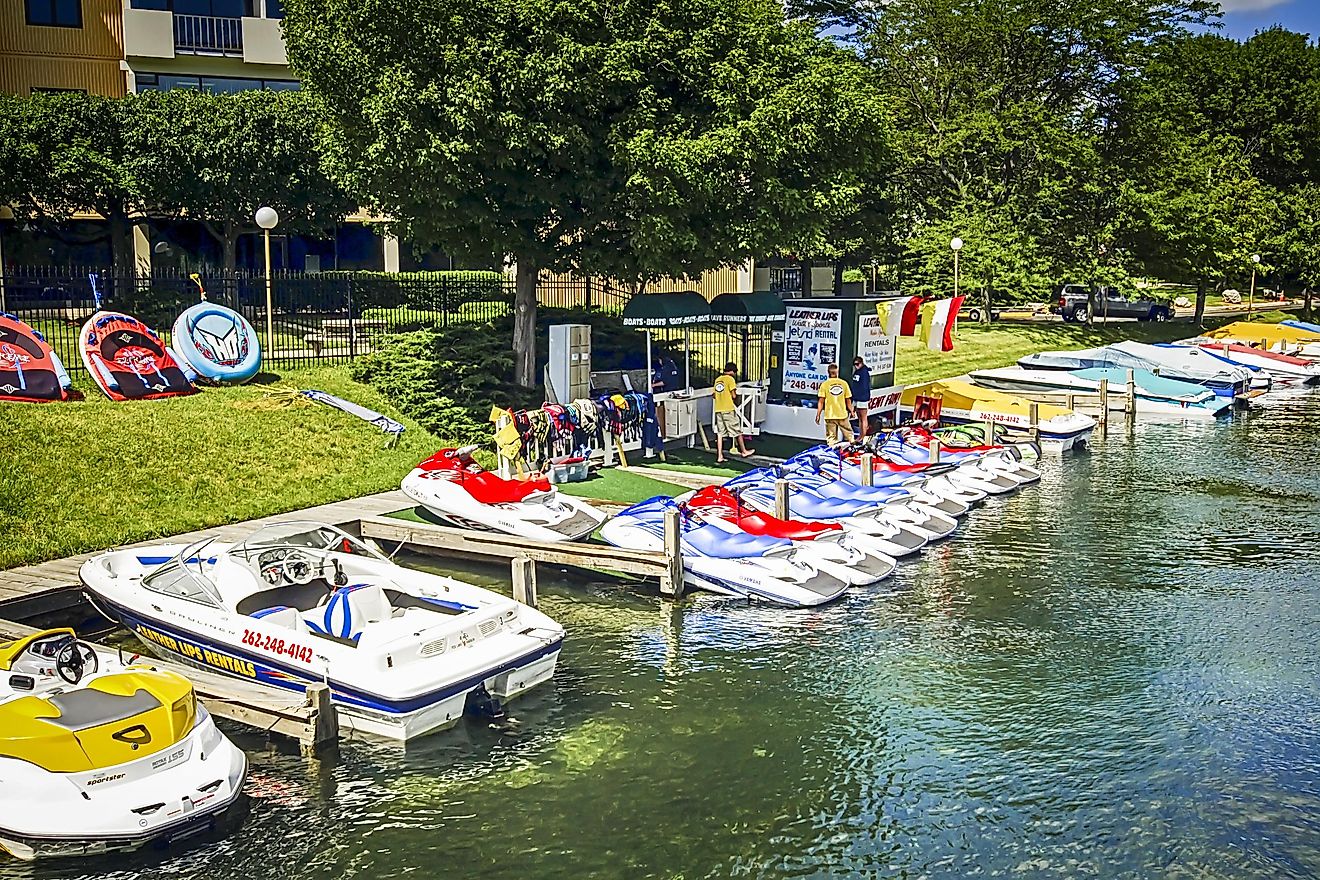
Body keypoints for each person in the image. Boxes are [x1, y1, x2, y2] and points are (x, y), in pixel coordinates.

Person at [712, 362, 755, 462]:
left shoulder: (718, 380)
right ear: (732, 371)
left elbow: (714, 395)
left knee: (720, 433)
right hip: (728, 409)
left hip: (718, 409)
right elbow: (734, 395)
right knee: (737, 430)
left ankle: (719, 456)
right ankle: (744, 451)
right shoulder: (730, 379)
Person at [815, 363, 855, 445]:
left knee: (831, 438)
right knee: (849, 435)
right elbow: (848, 400)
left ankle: (833, 453)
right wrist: (851, 411)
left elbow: (821, 401)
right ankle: (853, 450)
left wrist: (818, 414)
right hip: (842, 414)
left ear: (828, 372)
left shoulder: (824, 385)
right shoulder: (844, 384)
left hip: (830, 415)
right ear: (837, 372)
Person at [849, 355, 872, 439]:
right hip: (856, 397)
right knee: (859, 417)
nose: (856, 366)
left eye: (857, 364)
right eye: (854, 364)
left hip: (862, 398)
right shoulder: (857, 372)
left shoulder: (864, 373)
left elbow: (865, 387)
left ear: (861, 363)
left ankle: (863, 435)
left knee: (863, 417)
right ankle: (860, 434)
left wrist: (861, 396)